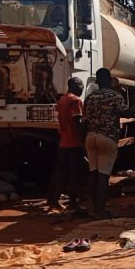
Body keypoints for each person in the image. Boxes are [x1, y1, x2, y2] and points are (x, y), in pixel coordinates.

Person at [82, 67, 129, 218]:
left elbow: (85, 118)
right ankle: (100, 211)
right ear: (110, 80)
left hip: (91, 137)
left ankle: (90, 208)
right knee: (103, 177)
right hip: (107, 138)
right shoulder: (114, 96)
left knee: (93, 174)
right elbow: (125, 112)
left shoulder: (90, 97)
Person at [48, 77, 86, 213]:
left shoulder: (62, 99)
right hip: (74, 142)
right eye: (81, 85)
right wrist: (84, 140)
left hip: (63, 141)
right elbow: (78, 121)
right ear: (77, 86)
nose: (82, 88)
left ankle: (54, 201)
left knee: (61, 172)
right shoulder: (75, 101)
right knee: (75, 174)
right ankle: (73, 202)